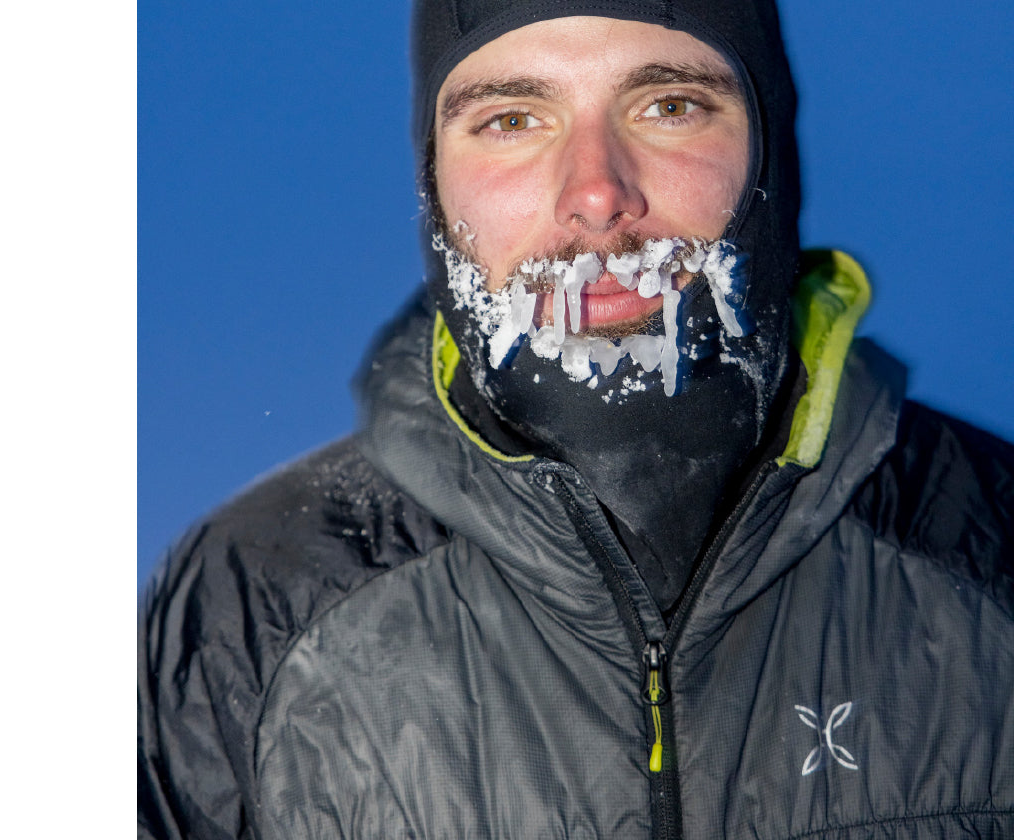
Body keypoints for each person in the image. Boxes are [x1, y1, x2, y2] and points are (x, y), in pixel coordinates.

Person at [136, 0, 1014, 837]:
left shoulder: (991, 550)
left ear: (768, 151)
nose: (595, 193)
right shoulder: (252, 606)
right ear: (433, 181)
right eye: (513, 120)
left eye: (669, 106)